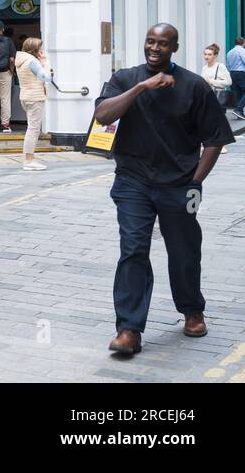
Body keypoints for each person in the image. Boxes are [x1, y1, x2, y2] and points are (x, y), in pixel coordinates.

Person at [94, 23, 233, 356]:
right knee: (133, 250)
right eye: (150, 42)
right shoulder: (125, 79)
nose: (154, 48)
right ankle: (129, 329)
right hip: (132, 182)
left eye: (163, 44)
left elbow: (214, 140)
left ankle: (191, 309)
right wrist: (143, 87)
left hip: (179, 185)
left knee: (184, 250)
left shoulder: (194, 86)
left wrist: (194, 182)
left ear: (175, 48)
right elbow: (102, 116)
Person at [14, 38, 51, 172]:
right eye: (40, 47)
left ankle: (29, 159)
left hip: (25, 96)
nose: (42, 50)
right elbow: (46, 77)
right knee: (33, 129)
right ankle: (29, 160)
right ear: (35, 49)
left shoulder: (21, 59)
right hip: (35, 97)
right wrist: (45, 62)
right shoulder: (32, 61)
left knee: (32, 128)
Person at [201, 43, 232, 110]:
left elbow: (229, 82)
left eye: (209, 54)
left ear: (215, 55)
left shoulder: (220, 66)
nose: (206, 57)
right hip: (206, 98)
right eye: (205, 54)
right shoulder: (204, 68)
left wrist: (212, 81)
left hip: (217, 98)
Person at [226, 37, 245, 116]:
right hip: (241, 73)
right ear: (243, 43)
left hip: (232, 73)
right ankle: (238, 109)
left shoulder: (230, 52)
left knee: (238, 93)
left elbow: (228, 65)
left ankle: (239, 112)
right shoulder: (242, 50)